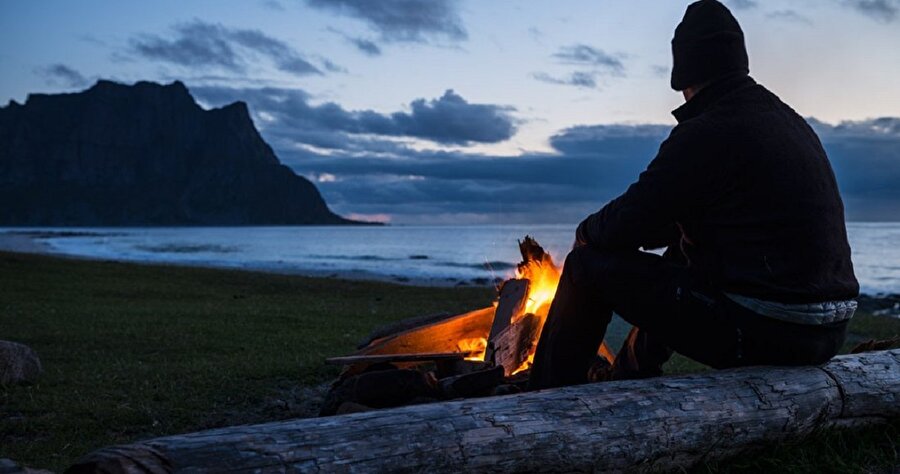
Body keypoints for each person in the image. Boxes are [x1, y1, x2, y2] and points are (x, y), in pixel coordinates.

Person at [528, 0, 859, 390]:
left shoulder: (708, 130)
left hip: (770, 332)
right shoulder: (783, 120)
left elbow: (629, 221)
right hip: (826, 331)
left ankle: (547, 396)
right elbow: (675, 219)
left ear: (683, 73)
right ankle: (629, 376)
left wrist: (586, 231)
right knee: (686, 245)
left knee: (587, 266)